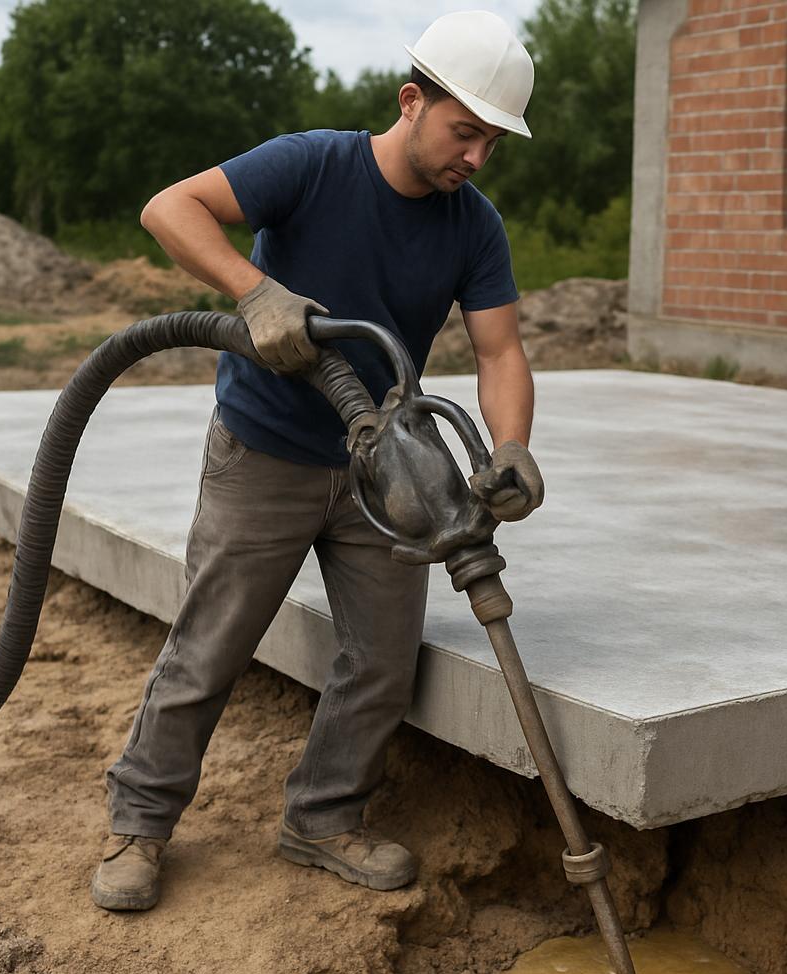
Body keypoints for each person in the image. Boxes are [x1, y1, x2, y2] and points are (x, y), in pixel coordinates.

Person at [90, 10, 544, 912]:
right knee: (210, 648)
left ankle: (323, 818)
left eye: (493, 141)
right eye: (466, 132)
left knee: (382, 659)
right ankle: (139, 825)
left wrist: (512, 447)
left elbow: (499, 353)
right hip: (265, 451)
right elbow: (168, 208)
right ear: (412, 102)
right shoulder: (313, 164)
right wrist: (254, 292)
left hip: (385, 474)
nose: (477, 158)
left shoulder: (472, 225)